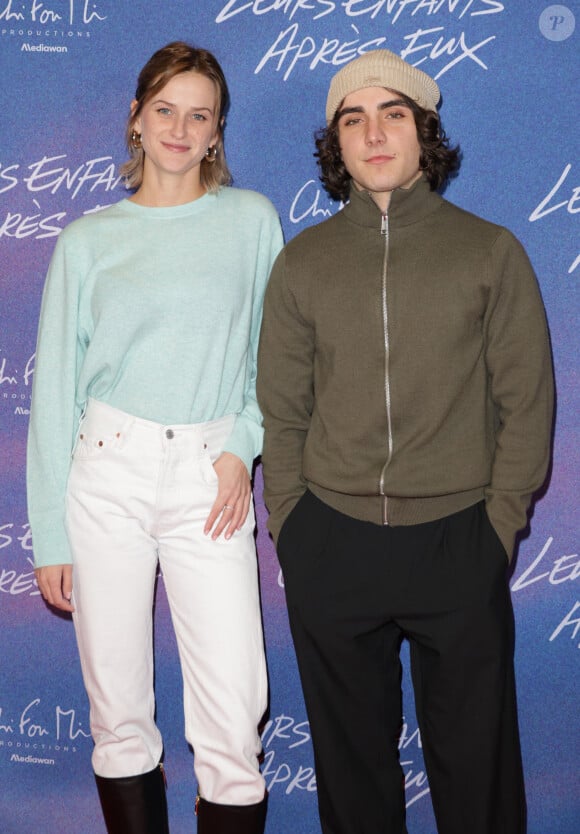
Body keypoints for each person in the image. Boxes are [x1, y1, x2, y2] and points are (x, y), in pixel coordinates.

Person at [257, 49, 553, 834]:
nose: (373, 132)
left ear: (425, 133)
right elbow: (281, 412)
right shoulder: (301, 264)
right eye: (353, 119)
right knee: (352, 780)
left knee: (478, 774)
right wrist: (293, 524)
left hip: (460, 540)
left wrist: (497, 527)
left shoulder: (490, 252)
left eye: (393, 114)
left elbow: (526, 403)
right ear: (337, 144)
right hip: (332, 543)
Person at [27, 41, 282, 834]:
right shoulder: (87, 241)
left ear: (217, 133)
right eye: (164, 109)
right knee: (119, 709)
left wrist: (243, 445)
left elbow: (273, 360)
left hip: (213, 475)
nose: (180, 127)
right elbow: (57, 394)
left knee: (236, 710)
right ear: (135, 120)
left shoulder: (251, 221)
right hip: (107, 475)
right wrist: (50, 537)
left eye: (198, 114)